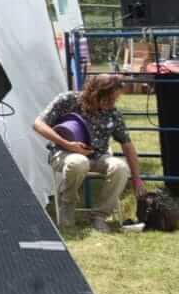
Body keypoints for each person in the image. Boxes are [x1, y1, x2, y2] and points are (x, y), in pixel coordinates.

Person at [34, 75, 143, 230]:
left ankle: (100, 216)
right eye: (110, 99)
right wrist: (68, 144)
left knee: (120, 167)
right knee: (78, 162)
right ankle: (67, 207)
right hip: (63, 153)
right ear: (94, 92)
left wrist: (137, 179)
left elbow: (127, 145)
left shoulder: (113, 113)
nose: (112, 104)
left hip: (98, 156)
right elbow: (38, 124)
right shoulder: (68, 100)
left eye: (115, 100)